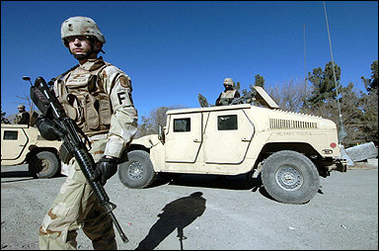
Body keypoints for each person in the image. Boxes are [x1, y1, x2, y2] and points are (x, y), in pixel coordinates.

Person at [37, 16, 138, 250]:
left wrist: (112, 156)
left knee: (54, 229)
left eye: (82, 38)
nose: (76, 43)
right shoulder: (61, 80)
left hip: (96, 152)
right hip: (73, 152)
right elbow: (51, 115)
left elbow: (126, 114)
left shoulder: (110, 74)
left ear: (96, 41)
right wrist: (45, 125)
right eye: (71, 40)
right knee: (95, 219)